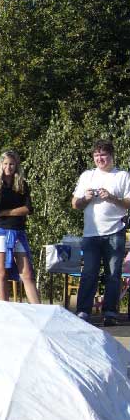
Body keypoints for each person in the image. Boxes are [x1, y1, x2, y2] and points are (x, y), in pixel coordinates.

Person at [71, 139, 130, 326]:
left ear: (111, 156)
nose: (99, 159)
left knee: (113, 274)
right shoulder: (87, 176)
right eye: (96, 155)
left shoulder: (122, 176)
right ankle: (83, 311)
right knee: (89, 273)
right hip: (91, 233)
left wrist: (111, 198)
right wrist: (85, 198)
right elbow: (75, 204)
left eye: (103, 155)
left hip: (115, 232)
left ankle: (110, 313)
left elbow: (128, 202)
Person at [0, 151, 40, 304]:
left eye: (12, 164)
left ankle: (38, 308)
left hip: (17, 232)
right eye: (6, 164)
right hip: (0, 231)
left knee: (27, 273)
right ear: (1, 165)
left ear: (16, 166)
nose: (8, 167)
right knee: (2, 273)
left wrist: (6, 212)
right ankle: (5, 308)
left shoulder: (22, 184)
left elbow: (28, 208)